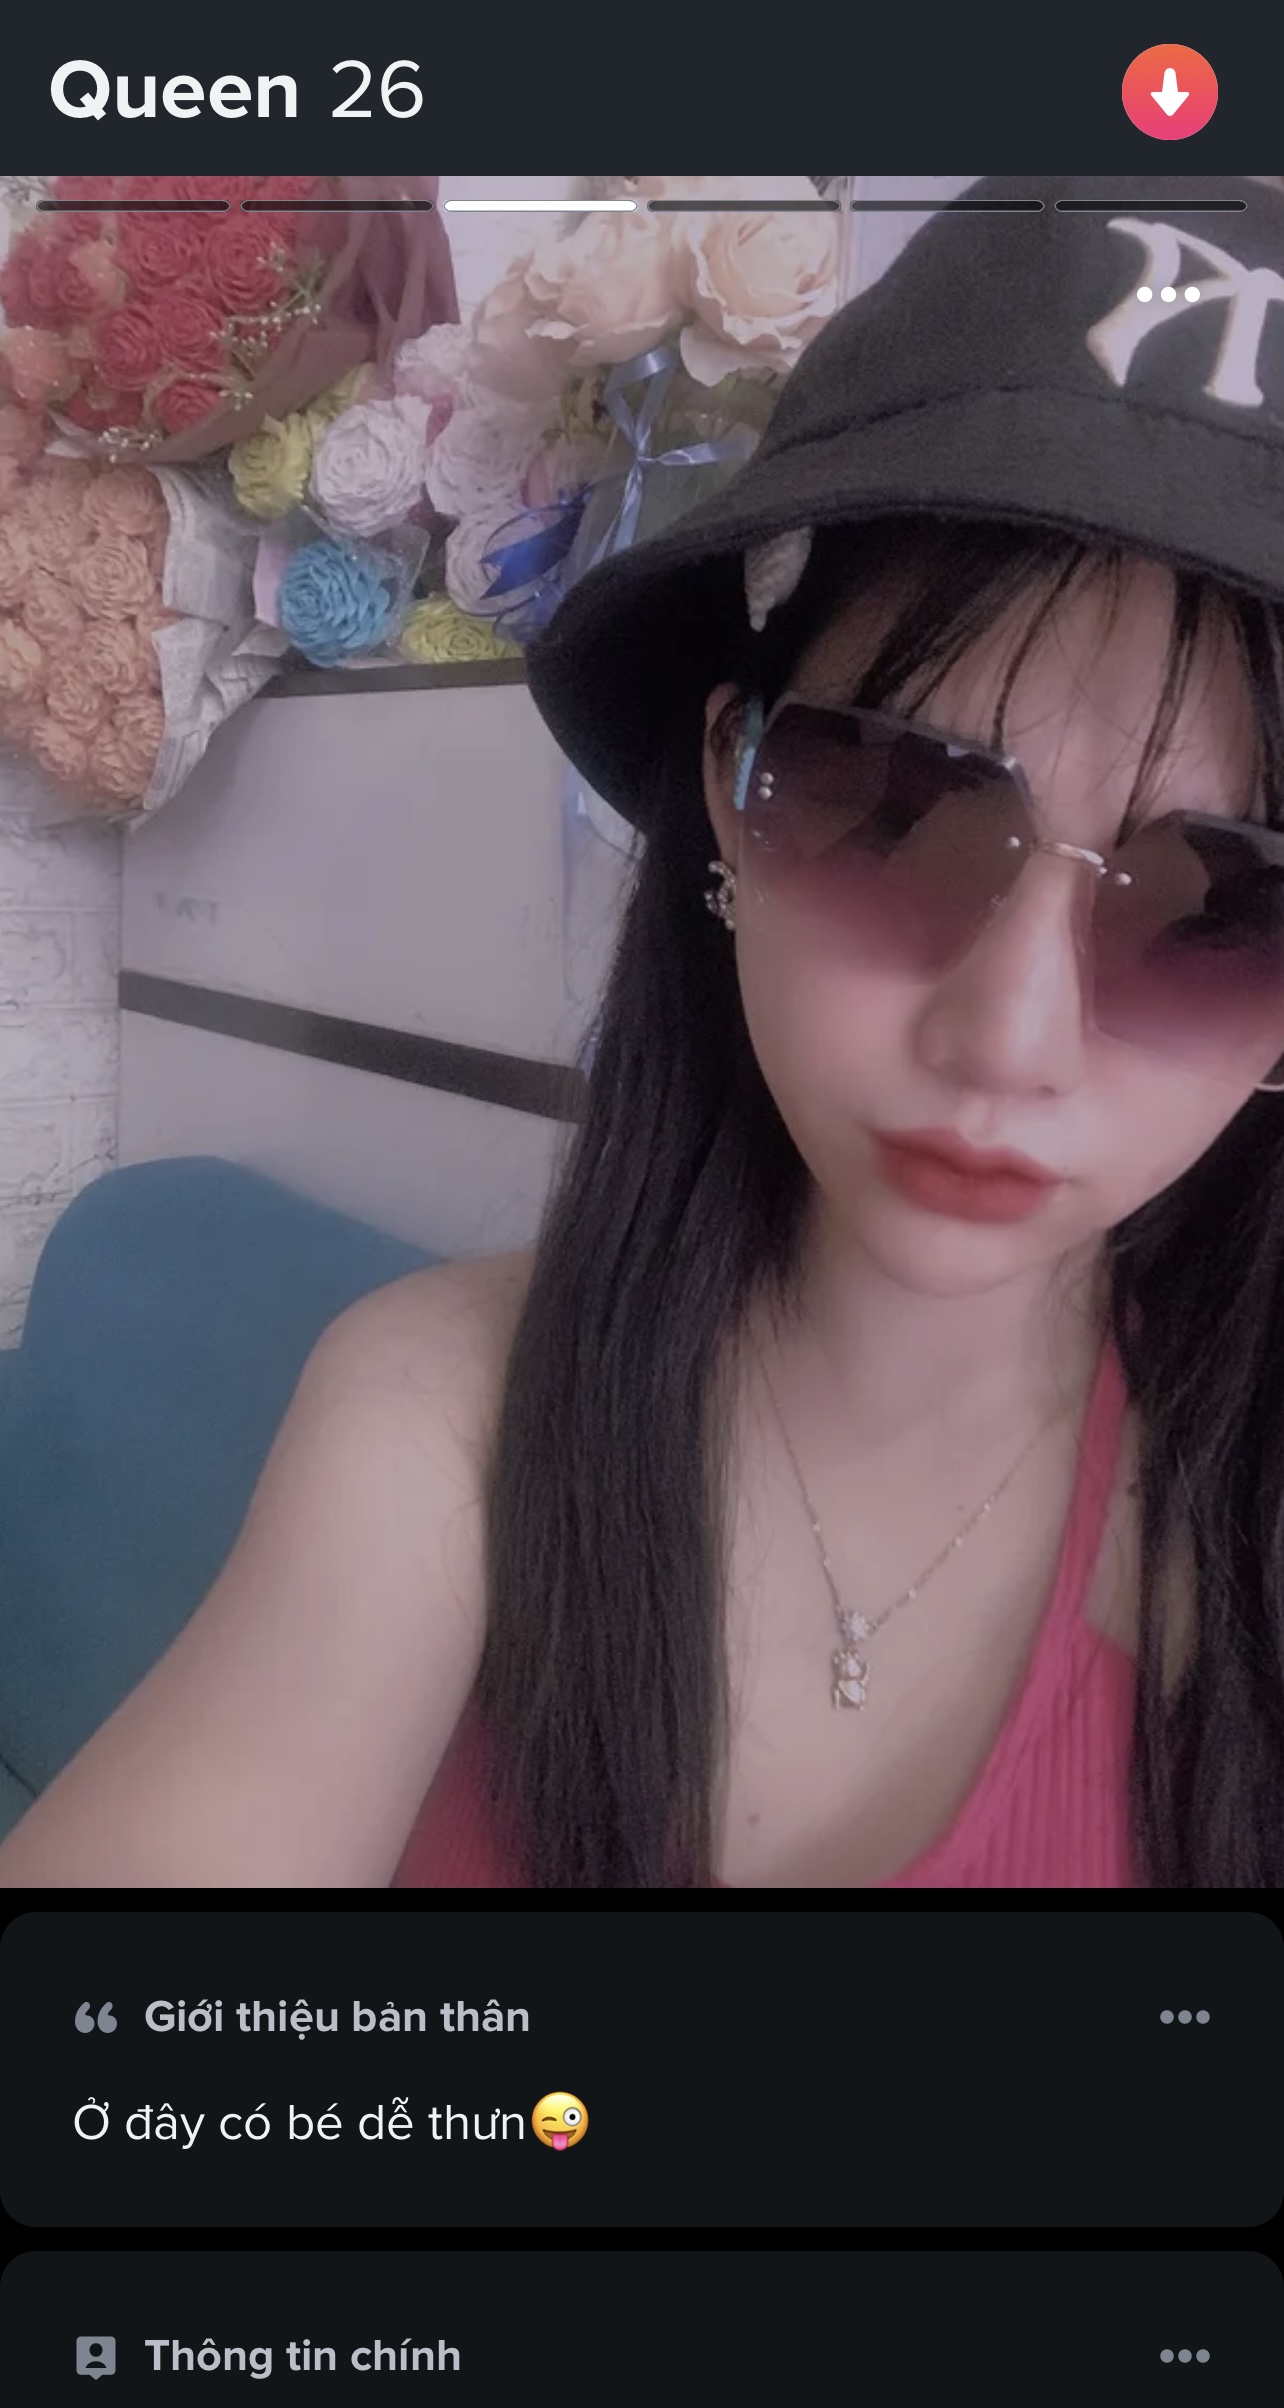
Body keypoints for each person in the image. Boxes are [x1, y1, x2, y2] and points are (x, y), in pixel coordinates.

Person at [4, 171, 1284, 1889]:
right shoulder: (440, 1427)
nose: (1012, 1036)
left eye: (1217, 909)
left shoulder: (1244, 1541)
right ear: (730, 791)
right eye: (898, 808)